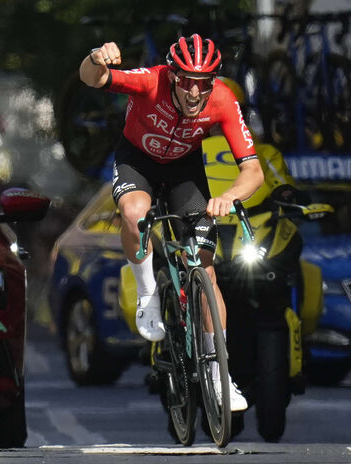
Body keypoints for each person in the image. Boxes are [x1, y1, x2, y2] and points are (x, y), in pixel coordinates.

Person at [79, 34, 264, 411]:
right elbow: (92, 79)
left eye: (204, 82)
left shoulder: (223, 100)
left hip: (184, 170)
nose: (195, 92)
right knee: (135, 214)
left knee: (206, 271)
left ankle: (219, 376)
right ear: (173, 74)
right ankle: (147, 293)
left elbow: (253, 170)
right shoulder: (150, 81)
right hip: (137, 160)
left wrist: (228, 196)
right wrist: (97, 57)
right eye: (186, 81)